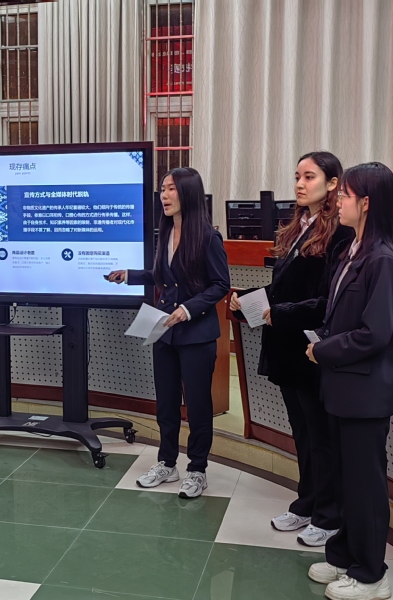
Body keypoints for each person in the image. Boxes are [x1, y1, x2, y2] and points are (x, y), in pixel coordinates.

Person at [228, 151, 353, 546]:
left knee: (321, 436)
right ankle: (307, 502)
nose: (299, 184)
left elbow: (328, 300)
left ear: (332, 184)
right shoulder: (300, 226)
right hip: (287, 347)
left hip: (312, 349)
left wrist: (278, 312)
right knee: (303, 434)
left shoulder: (341, 233)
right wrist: (248, 299)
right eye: (297, 176)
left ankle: (329, 514)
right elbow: (283, 288)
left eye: (309, 177)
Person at [306, 162, 393, 600]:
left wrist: (324, 350)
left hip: (365, 392)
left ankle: (371, 575)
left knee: (365, 487)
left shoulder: (383, 259)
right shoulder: (353, 250)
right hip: (342, 388)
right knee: (347, 481)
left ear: (366, 203)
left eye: (344, 195)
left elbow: (375, 333)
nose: (338, 202)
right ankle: (345, 556)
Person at [107, 167, 230, 499]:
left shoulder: (208, 237)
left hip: (196, 335)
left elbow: (221, 284)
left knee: (198, 407)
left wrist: (188, 309)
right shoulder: (166, 232)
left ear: (188, 193)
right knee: (166, 403)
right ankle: (167, 463)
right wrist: (130, 275)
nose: (164, 195)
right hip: (164, 333)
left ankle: (197, 469)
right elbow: (163, 276)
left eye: (171, 189)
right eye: (163, 189)